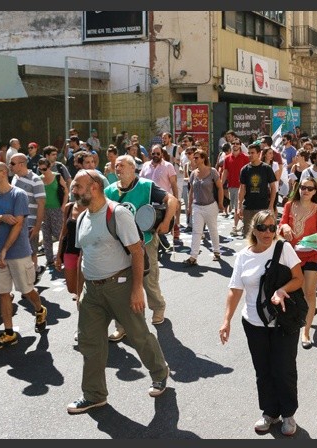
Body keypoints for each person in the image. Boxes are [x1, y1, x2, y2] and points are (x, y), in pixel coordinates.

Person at [66, 170, 170, 414]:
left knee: (138, 335)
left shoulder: (117, 214)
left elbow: (137, 252)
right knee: (89, 342)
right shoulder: (82, 218)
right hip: (92, 291)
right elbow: (82, 257)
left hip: (120, 286)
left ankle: (160, 373)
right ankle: (94, 395)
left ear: (94, 187)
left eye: (78, 186)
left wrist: (136, 290)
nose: (74, 191)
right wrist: (80, 293)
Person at [219, 210, 304, 436]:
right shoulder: (243, 256)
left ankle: (288, 414)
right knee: (263, 370)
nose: (268, 232)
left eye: (272, 228)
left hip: (283, 322)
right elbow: (235, 290)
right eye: (263, 228)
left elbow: (299, 278)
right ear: (254, 230)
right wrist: (226, 320)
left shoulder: (283, 249)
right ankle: (270, 412)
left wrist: (282, 290)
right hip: (253, 323)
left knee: (284, 369)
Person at [104, 155, 178, 341]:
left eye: (122, 165)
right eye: (116, 166)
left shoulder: (146, 186)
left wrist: (166, 222)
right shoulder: (109, 191)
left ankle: (158, 307)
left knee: (148, 280)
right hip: (119, 246)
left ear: (132, 168)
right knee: (120, 287)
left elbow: (172, 200)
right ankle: (122, 325)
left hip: (145, 241)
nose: (118, 169)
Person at [0, 162, 48, 351]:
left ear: (3, 173)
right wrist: (0, 218)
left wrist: (5, 250)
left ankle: (40, 309)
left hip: (18, 252)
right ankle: (9, 333)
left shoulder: (18, 194)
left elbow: (18, 224)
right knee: (3, 293)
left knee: (26, 290)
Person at [278, 177, 317, 349]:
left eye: (309, 188)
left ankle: (305, 332)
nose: (305, 191)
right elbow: (282, 224)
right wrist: (284, 227)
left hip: (311, 255)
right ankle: (301, 316)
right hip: (291, 256)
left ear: (315, 192)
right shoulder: (289, 205)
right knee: (296, 292)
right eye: (303, 187)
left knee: (310, 293)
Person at [10, 153, 47, 282]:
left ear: (21, 164)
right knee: (20, 253)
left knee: (31, 253)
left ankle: (31, 280)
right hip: (16, 222)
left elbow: (41, 204)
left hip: (30, 223)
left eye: (12, 163)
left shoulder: (35, 180)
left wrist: (37, 227)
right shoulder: (14, 178)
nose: (10, 166)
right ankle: (34, 273)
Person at [184, 149, 223, 265]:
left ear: (203, 159)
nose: (194, 159)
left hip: (210, 205)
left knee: (212, 229)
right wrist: (189, 206)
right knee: (196, 231)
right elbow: (191, 191)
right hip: (197, 206)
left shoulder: (212, 172)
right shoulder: (193, 173)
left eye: (196, 157)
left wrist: (220, 203)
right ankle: (193, 257)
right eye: (194, 157)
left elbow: (220, 188)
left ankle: (216, 252)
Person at [237, 142, 278, 237]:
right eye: (249, 153)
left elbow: (273, 187)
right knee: (248, 235)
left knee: (263, 234)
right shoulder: (245, 169)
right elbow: (242, 188)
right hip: (248, 207)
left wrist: (271, 206)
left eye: (252, 153)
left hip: (263, 207)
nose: (250, 155)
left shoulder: (266, 168)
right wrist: (239, 206)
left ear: (259, 154)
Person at [37, 158, 68, 269]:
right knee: (46, 235)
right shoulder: (38, 179)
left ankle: (63, 257)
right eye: (40, 169)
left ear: (49, 167)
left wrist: (63, 205)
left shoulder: (57, 176)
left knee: (59, 233)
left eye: (44, 169)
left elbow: (66, 191)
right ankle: (49, 259)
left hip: (57, 209)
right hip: (44, 210)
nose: (42, 171)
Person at [222, 137, 250, 235]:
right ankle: (242, 225)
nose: (235, 145)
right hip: (232, 186)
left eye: (237, 143)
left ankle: (235, 226)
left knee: (239, 207)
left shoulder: (246, 157)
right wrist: (220, 184)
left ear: (240, 145)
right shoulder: (227, 158)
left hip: (243, 186)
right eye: (233, 143)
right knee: (236, 207)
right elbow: (225, 172)